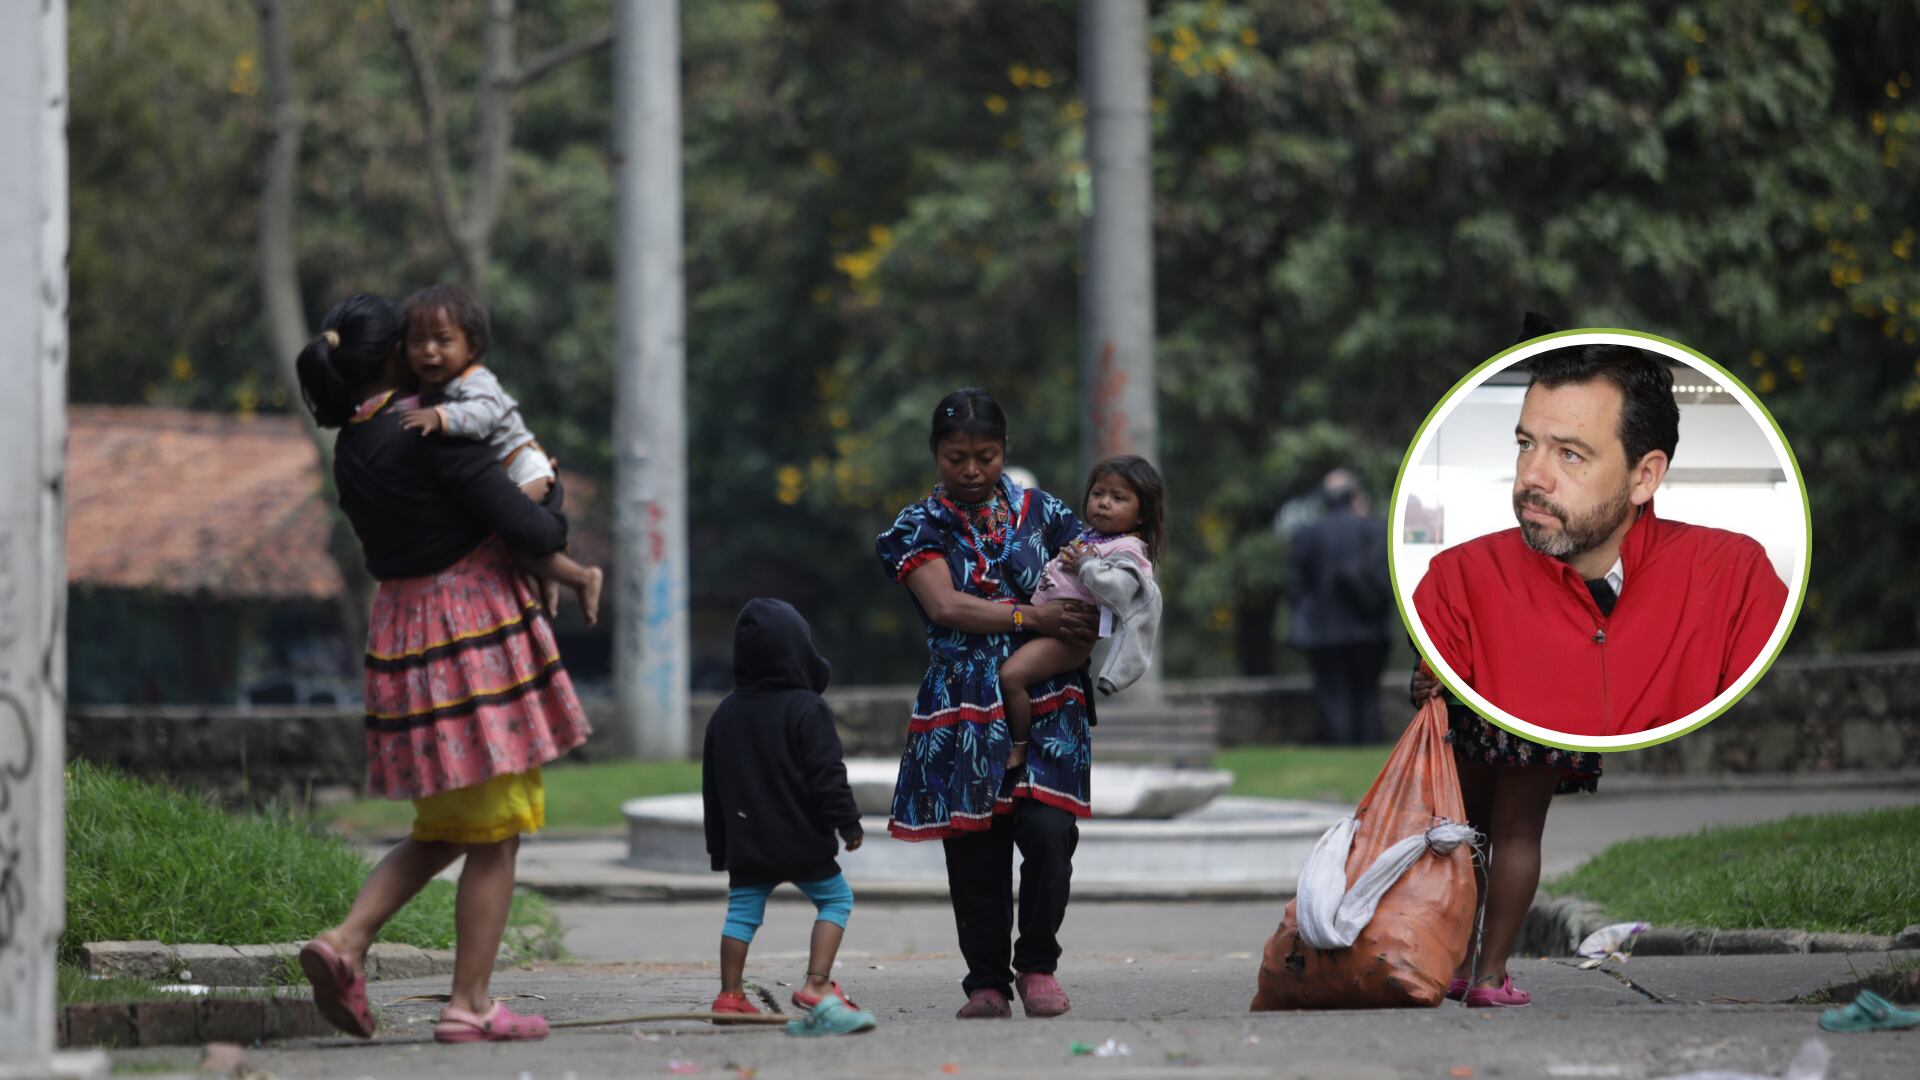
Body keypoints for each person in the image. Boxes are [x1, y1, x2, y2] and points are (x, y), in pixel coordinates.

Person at [293, 293, 591, 1044]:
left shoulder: (353, 446)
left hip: (406, 638)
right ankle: (471, 1004)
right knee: (495, 833)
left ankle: (347, 943)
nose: (430, 352)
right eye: (415, 342)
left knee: (446, 826)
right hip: (471, 640)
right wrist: (547, 479)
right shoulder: (432, 437)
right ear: (396, 357)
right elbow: (530, 525)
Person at [1412, 340, 1789, 738]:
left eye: (1570, 454)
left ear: (1644, 477)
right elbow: (1439, 720)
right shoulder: (1457, 579)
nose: (1532, 475)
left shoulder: (1734, 575)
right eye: (1526, 445)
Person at [874, 388, 1099, 1020]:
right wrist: (1034, 613)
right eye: (956, 458)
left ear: (1006, 452)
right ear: (936, 457)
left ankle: (1037, 967)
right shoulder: (917, 527)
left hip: (1049, 693)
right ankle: (986, 982)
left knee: (1050, 834)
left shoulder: (1043, 511)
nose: (972, 470)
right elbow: (945, 606)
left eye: (986, 455)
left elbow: (1099, 563)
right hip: (962, 700)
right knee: (976, 845)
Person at [701, 598, 872, 1033]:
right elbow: (826, 774)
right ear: (798, 651)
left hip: (749, 843)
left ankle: (731, 995)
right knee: (835, 900)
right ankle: (816, 983)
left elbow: (713, 789)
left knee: (741, 913)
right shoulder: (807, 708)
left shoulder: (725, 713)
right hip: (802, 841)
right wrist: (847, 822)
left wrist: (720, 847)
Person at [395, 284, 605, 626]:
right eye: (417, 342)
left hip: (526, 467)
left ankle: (582, 578)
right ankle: (550, 579)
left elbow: (485, 415)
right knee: (512, 544)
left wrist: (441, 418)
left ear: (471, 347)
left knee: (511, 528)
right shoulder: (429, 389)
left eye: (443, 341)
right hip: (510, 470)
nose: (429, 351)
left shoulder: (476, 380)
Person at [1002, 454, 1165, 772]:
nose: (1104, 503)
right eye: (1098, 494)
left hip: (1069, 637)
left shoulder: (1130, 552)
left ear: (1142, 514)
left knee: (1011, 677)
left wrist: (1085, 564)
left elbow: (1118, 588)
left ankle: (1019, 746)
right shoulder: (1093, 536)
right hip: (1048, 623)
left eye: (1118, 498)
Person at [1285, 469, 1394, 745]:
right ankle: (1369, 745)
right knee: (1367, 694)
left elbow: (1295, 585)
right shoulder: (1375, 528)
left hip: (1324, 632)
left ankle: (1339, 744)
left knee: (1333, 695)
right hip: (1370, 630)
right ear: (1354, 496)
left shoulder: (1309, 534)